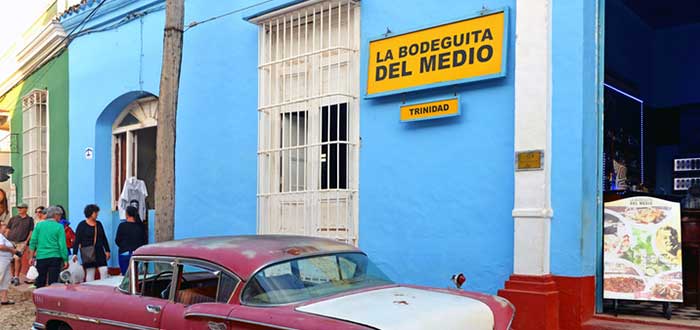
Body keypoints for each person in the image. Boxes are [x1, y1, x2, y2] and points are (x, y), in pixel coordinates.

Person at [28, 206, 68, 288]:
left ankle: (39, 297)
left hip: (41, 256)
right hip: (55, 257)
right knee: (53, 282)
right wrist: (65, 259)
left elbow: (33, 242)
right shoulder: (59, 227)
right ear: (55, 215)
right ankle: (52, 298)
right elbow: (62, 245)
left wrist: (31, 257)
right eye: (59, 215)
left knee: (40, 280)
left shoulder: (39, 225)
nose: (60, 217)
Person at [73, 204, 110, 281]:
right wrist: (75, 253)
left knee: (104, 270)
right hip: (88, 253)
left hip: (99, 251)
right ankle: (90, 290)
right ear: (90, 213)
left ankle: (104, 288)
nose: (97, 214)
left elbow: (103, 238)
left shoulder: (99, 224)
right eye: (95, 212)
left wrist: (107, 250)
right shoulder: (82, 225)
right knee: (90, 272)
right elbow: (77, 240)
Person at [6, 203, 34, 286]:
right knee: (11, 260)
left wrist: (26, 241)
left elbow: (31, 231)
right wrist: (6, 239)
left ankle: (16, 277)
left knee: (17, 258)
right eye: (19, 208)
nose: (19, 209)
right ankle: (12, 276)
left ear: (26, 209)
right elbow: (7, 229)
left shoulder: (29, 219)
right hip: (11, 241)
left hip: (21, 242)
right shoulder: (13, 218)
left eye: (21, 208)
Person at [115, 206, 147, 275]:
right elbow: (145, 241)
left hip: (124, 253)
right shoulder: (141, 226)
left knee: (125, 276)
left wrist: (123, 247)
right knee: (136, 276)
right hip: (137, 254)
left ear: (127, 214)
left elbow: (117, 240)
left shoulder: (122, 226)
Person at [0, 222, 20, 304]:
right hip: (2, 260)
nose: (6, 226)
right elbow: (0, 246)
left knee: (5, 279)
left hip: (6, 260)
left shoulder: (3, 236)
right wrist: (13, 250)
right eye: (4, 225)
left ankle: (4, 299)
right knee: (1, 278)